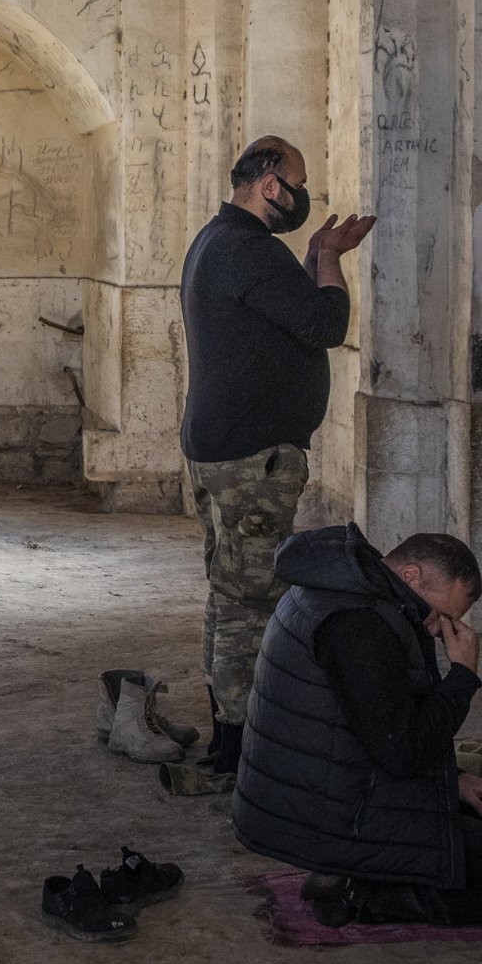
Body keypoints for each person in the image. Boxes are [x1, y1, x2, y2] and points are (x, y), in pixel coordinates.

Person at [232, 525, 482, 927]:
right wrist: (462, 676)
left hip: (333, 788)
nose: (438, 627)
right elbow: (401, 752)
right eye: (442, 614)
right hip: (332, 817)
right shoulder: (358, 624)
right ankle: (364, 897)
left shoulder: (348, 590)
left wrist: (453, 779)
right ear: (410, 576)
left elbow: (377, 725)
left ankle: (357, 873)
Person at [174, 136, 375, 787]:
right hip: (248, 458)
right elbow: (324, 322)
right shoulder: (249, 251)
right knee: (250, 602)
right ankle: (236, 755)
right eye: (297, 181)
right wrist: (326, 257)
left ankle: (227, 744)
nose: (301, 194)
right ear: (267, 184)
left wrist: (313, 251)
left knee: (229, 591)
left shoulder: (214, 240)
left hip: (223, 448)